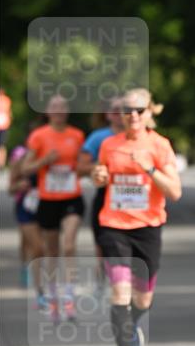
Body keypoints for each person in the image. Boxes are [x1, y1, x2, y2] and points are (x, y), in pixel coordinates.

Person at [91, 88, 182, 346]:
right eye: (126, 110)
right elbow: (100, 176)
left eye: (139, 109)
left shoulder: (160, 145)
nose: (132, 115)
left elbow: (175, 192)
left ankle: (132, 324)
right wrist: (98, 177)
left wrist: (150, 169)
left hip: (147, 228)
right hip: (113, 225)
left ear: (149, 112)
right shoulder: (109, 144)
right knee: (120, 293)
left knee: (142, 299)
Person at [21, 95, 85, 321]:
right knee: (51, 251)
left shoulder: (77, 135)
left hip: (72, 197)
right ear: (47, 112)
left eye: (63, 107)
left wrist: (81, 168)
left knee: (69, 245)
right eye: (54, 107)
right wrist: (44, 161)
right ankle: (52, 295)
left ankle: (69, 295)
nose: (59, 111)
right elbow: (25, 168)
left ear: (68, 111)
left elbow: (83, 165)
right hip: (48, 199)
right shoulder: (39, 136)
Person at [78, 96, 124, 290]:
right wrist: (102, 166)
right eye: (114, 110)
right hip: (105, 195)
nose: (119, 113)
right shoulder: (99, 137)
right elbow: (80, 167)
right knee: (103, 243)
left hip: (132, 198)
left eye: (123, 109)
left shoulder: (137, 135)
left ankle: (124, 280)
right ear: (107, 114)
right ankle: (103, 275)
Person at [8, 130, 44, 295]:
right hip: (25, 207)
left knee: (41, 246)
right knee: (32, 244)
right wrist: (19, 186)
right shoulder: (20, 158)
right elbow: (10, 189)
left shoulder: (46, 157)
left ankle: (39, 280)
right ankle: (27, 270)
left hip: (45, 206)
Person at [0, 88, 13, 170]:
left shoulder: (5, 100)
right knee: (1, 145)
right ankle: (0, 163)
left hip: (3, 125)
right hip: (4, 124)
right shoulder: (7, 100)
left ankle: (0, 163)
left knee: (1, 145)